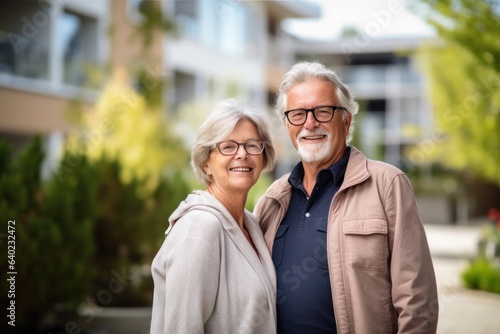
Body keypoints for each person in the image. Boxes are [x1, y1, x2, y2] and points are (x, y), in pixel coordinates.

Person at [254, 61, 438, 334]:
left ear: (346, 118)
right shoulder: (272, 200)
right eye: (298, 114)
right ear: (286, 124)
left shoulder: (387, 185)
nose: (310, 123)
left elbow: (417, 300)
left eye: (323, 111)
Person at [150, 99, 278, 333]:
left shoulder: (251, 224)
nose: (242, 154)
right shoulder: (199, 227)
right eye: (228, 146)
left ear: (263, 155)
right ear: (205, 162)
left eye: (252, 145)